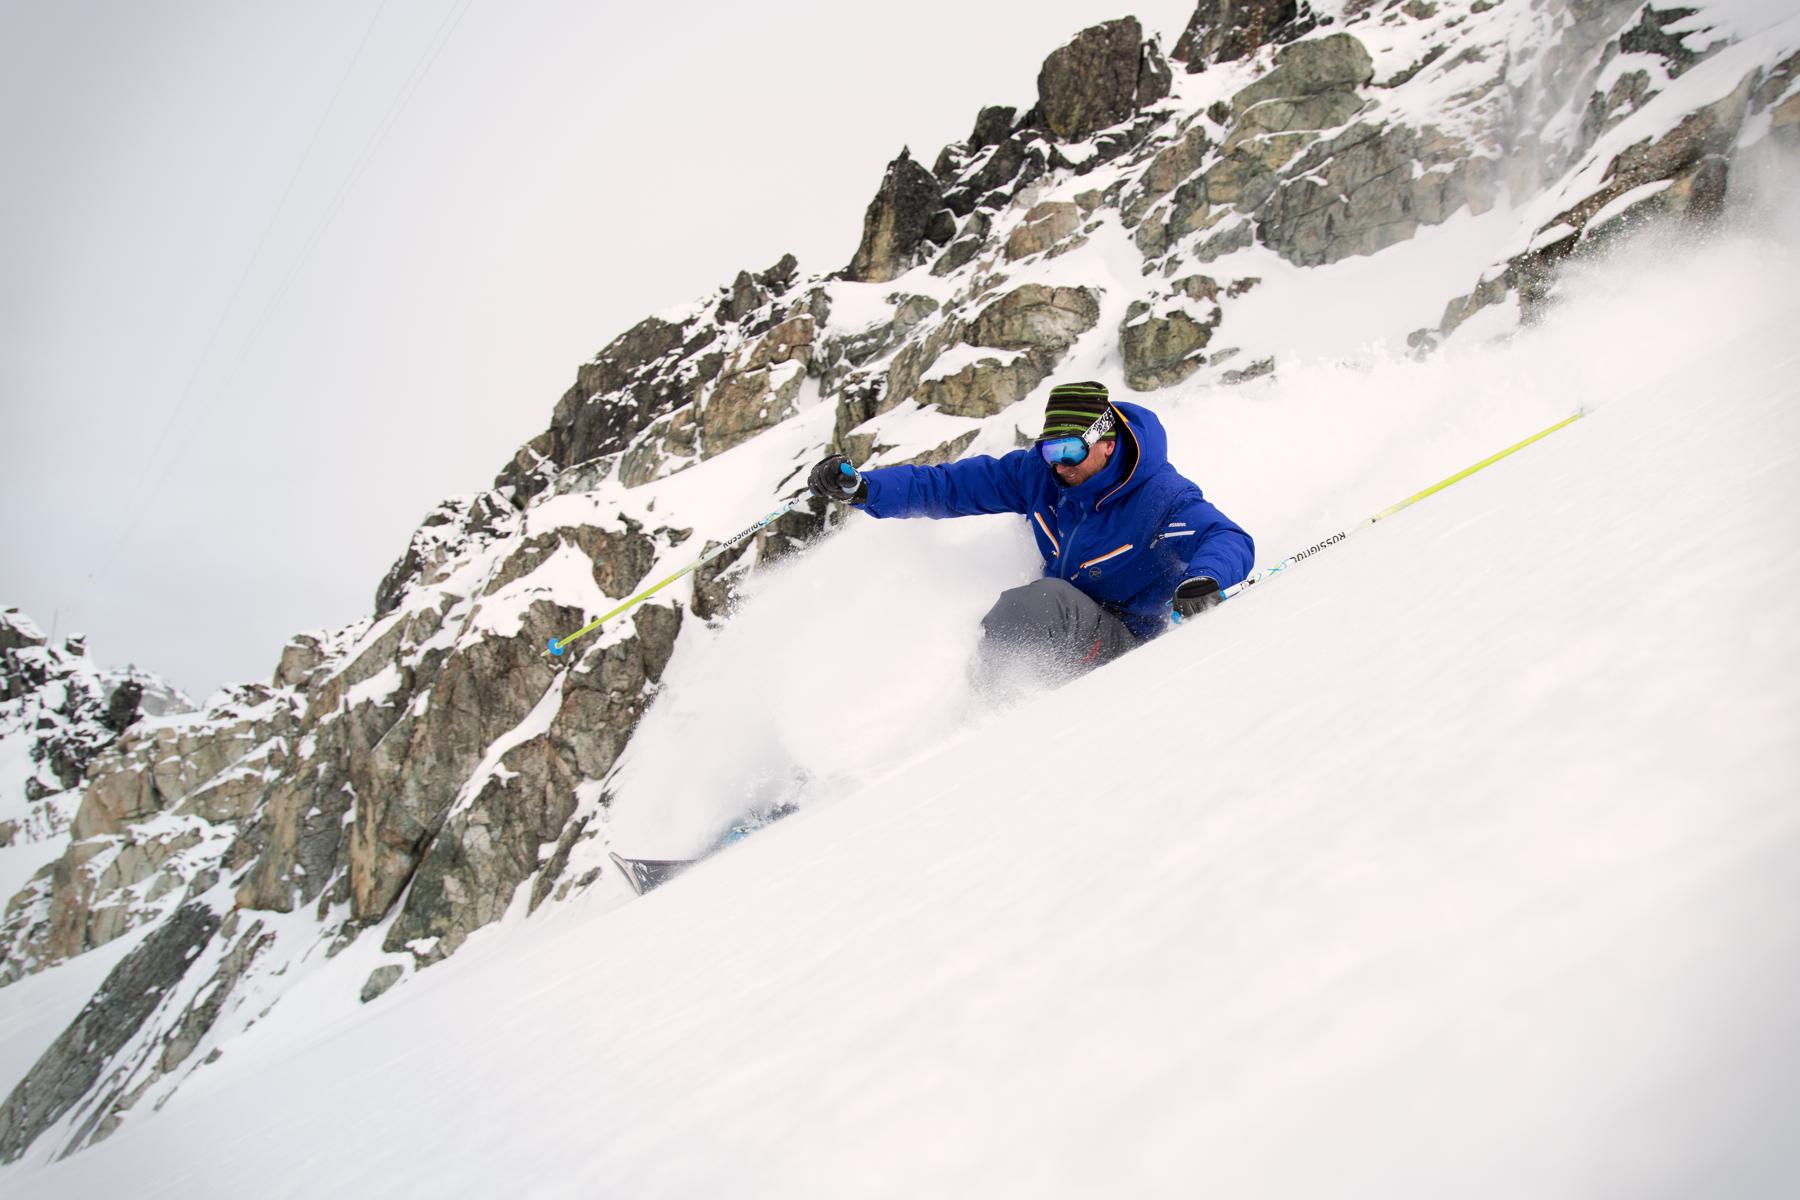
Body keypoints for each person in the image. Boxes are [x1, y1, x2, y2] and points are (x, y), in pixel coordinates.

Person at [806, 380, 1254, 678]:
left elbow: (1226, 537)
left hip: (1127, 646)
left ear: (1106, 443)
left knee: (1040, 602)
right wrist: (863, 488)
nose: (1058, 464)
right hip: (1062, 631)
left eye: (1069, 450)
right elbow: (947, 485)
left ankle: (980, 720)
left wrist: (1205, 579)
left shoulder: (1160, 496)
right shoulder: (1039, 475)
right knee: (926, 609)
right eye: (1048, 449)